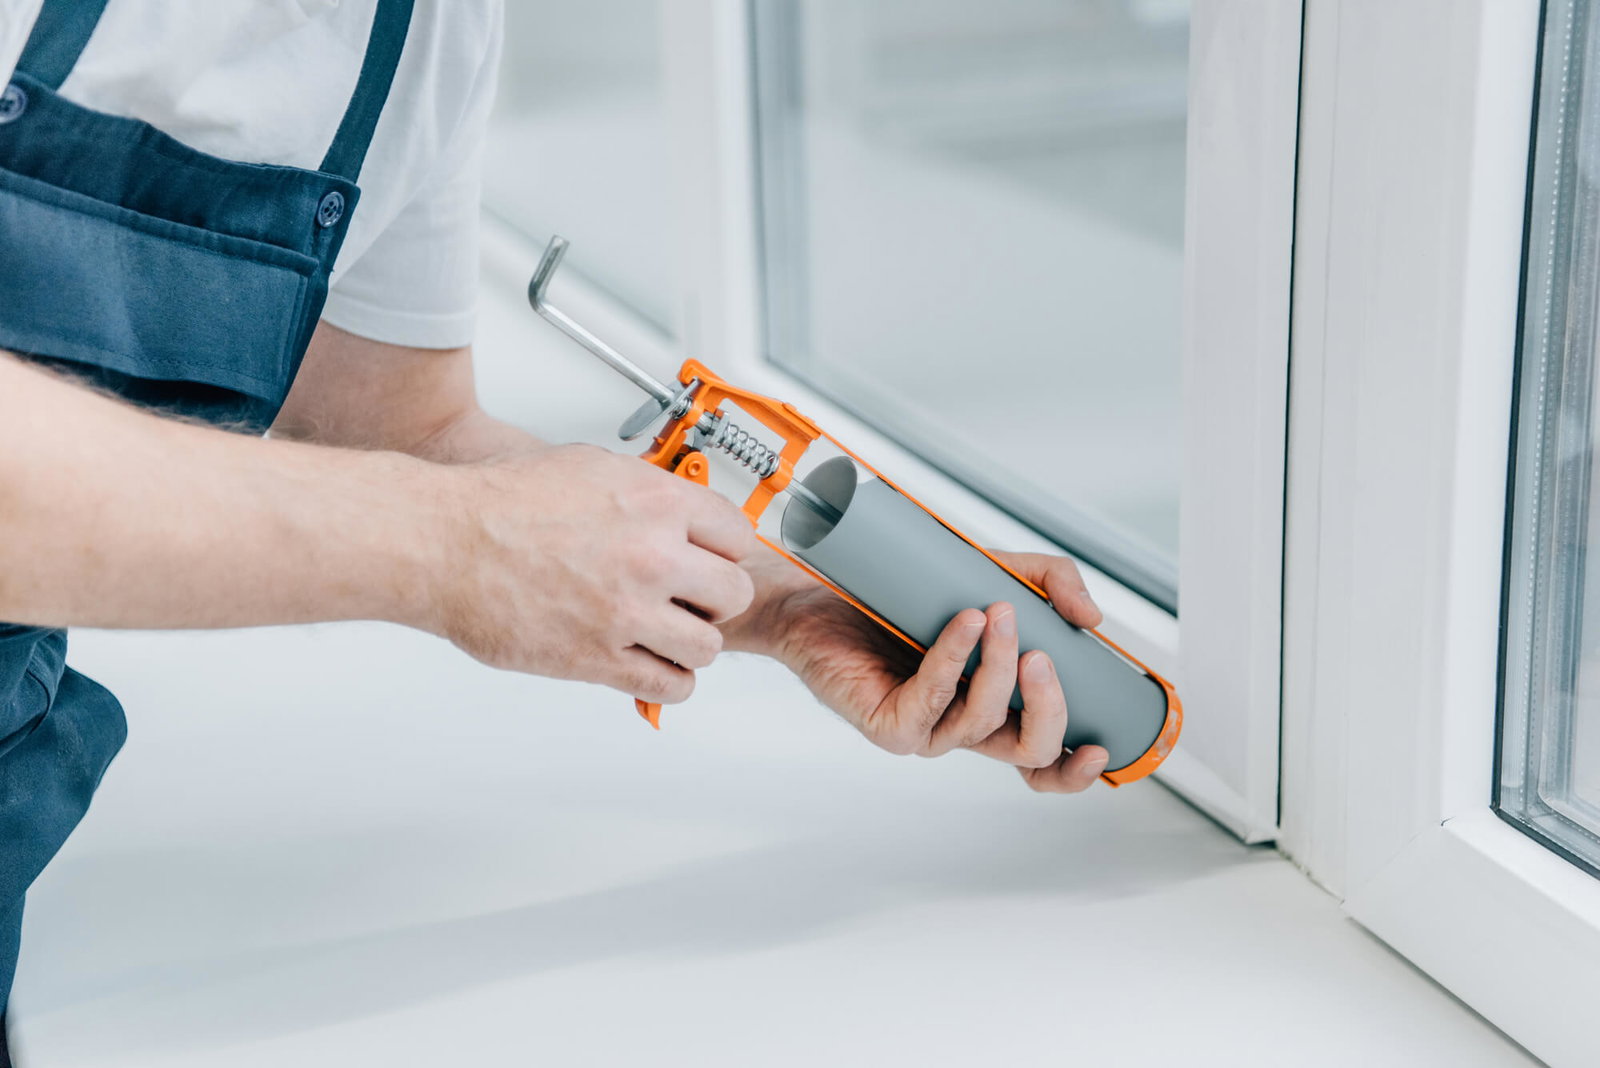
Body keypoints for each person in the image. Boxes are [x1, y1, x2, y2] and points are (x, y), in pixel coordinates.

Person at [0, 0, 1111, 1055]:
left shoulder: (425, 37)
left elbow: (402, 430)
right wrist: (457, 550)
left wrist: (780, 603)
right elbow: (444, 514)